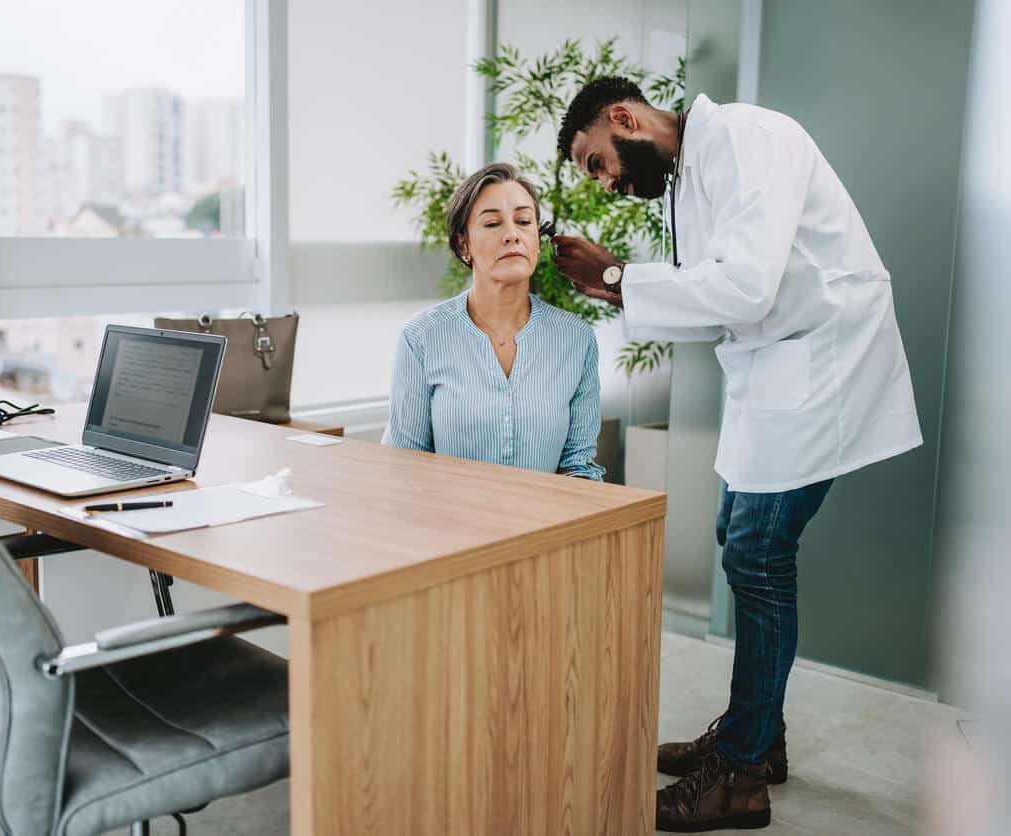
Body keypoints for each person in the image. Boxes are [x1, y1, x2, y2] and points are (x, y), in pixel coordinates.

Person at [553, 77, 923, 832]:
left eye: (598, 162)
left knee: (757, 553)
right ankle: (760, 733)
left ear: (624, 119)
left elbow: (746, 288)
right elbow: (707, 303)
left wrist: (620, 277)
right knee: (739, 536)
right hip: (774, 374)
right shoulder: (688, 178)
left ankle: (743, 772)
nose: (608, 183)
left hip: (826, 362)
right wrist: (616, 292)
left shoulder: (750, 138)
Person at [386, 162, 604, 481]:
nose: (512, 235)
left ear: (537, 239)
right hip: (451, 525)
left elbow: (579, 465)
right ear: (464, 244)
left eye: (524, 221)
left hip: (545, 524)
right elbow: (406, 466)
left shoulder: (576, 338)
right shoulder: (421, 337)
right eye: (492, 224)